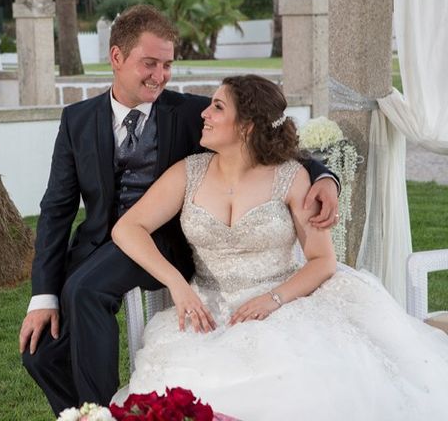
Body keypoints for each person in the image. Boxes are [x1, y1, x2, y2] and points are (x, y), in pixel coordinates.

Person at [19, 5, 340, 416]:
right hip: (101, 243)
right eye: (149, 63)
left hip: (164, 241)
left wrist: (325, 177)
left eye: (168, 64)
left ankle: (101, 412)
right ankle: (81, 411)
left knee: (86, 291)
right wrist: (43, 295)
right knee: (39, 354)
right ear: (117, 57)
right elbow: (56, 210)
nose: (160, 75)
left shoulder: (192, 113)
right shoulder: (77, 120)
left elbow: (269, 136)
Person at [111, 74, 448, 420]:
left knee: (301, 378)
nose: (204, 114)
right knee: (183, 381)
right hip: (209, 307)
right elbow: (128, 228)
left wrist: (273, 300)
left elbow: (321, 260)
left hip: (284, 302)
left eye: (217, 107)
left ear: (246, 127)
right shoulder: (188, 172)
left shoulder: (291, 176)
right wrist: (177, 285)